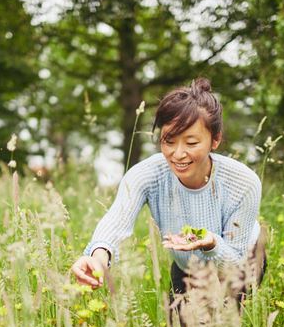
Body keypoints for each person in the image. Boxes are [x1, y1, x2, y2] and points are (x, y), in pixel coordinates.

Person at [70, 78, 263, 298]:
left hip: (239, 264)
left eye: (191, 143)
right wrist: (97, 258)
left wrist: (211, 244)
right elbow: (116, 221)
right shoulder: (147, 174)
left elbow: (234, 262)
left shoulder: (243, 182)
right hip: (187, 265)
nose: (178, 154)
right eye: (169, 141)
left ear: (215, 140)